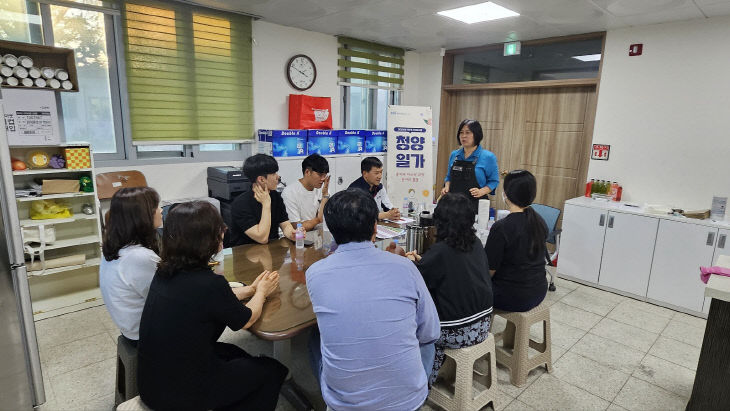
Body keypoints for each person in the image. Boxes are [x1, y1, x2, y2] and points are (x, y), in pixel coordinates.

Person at [137, 201, 287, 411]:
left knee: (234, 353)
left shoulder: (165, 272)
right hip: (180, 395)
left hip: (152, 382)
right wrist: (261, 292)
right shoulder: (208, 283)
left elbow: (208, 297)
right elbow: (247, 319)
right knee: (272, 370)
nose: (224, 231)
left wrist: (250, 290)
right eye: (219, 228)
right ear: (206, 239)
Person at [306, 189, 440, 411]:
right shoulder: (406, 267)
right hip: (409, 402)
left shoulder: (315, 273)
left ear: (332, 230)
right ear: (375, 228)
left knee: (313, 339)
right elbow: (430, 333)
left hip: (346, 405)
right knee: (426, 344)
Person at [405, 192, 493, 386]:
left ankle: (422, 382)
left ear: (441, 221)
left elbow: (417, 285)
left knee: (412, 323)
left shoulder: (441, 251)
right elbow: (452, 271)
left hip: (456, 331)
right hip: (484, 324)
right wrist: (424, 263)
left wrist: (411, 264)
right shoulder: (475, 243)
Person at [99, 187, 162, 344]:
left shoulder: (117, 247)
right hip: (146, 335)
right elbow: (165, 298)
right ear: (141, 216)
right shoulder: (139, 257)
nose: (161, 210)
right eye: (156, 207)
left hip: (130, 327)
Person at [485, 170, 548, 312]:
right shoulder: (539, 221)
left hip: (513, 296)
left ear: (506, 194)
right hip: (538, 291)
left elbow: (489, 271)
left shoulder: (501, 227)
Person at [228, 154, 297, 246]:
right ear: (261, 179)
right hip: (245, 254)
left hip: (272, 250)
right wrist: (266, 204)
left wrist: (292, 234)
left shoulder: (275, 196)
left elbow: (285, 224)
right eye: (273, 174)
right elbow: (262, 238)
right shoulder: (240, 204)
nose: (278, 177)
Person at [441, 119, 500, 211]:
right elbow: (448, 177)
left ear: (476, 135)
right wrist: (446, 187)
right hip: (453, 205)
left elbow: (494, 181)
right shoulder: (454, 155)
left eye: (468, 133)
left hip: (475, 205)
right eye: (461, 133)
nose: (464, 136)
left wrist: (481, 191)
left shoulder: (488, 157)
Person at [281, 154, 330, 231]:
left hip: (317, 235)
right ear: (307, 172)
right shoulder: (290, 192)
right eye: (320, 175)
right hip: (298, 238)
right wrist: (318, 220)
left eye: (325, 175)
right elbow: (296, 226)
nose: (323, 179)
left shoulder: (323, 189)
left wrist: (325, 196)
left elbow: (326, 218)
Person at [348, 156, 400, 221]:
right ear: (365, 174)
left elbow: (388, 206)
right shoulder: (354, 190)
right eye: (376, 173)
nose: (380, 176)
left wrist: (395, 213)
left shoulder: (379, 187)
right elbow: (359, 216)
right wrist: (385, 215)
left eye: (381, 172)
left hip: (377, 225)